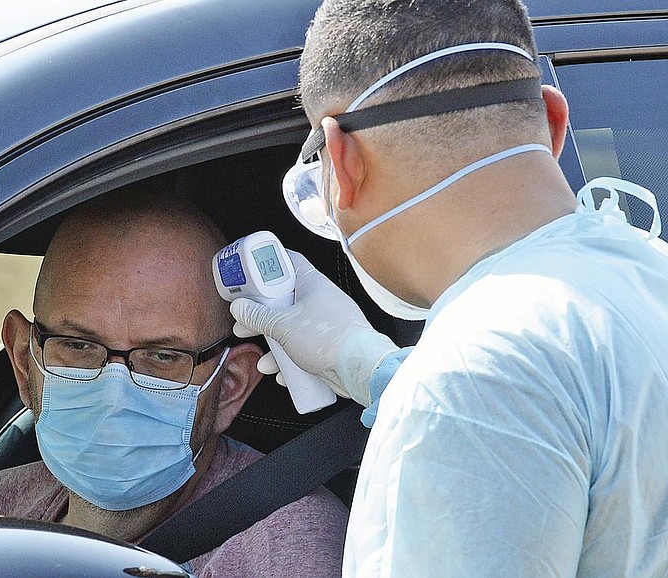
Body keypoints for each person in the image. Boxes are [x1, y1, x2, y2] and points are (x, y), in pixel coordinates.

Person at [230, 0, 668, 576]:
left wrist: (433, 393)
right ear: (552, 123)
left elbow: (493, 400)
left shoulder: (468, 382)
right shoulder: (648, 270)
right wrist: (367, 364)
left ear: (342, 157)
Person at [0, 189, 349, 577]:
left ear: (230, 386)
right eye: (78, 345)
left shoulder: (285, 551)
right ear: (24, 361)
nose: (114, 392)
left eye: (163, 356)